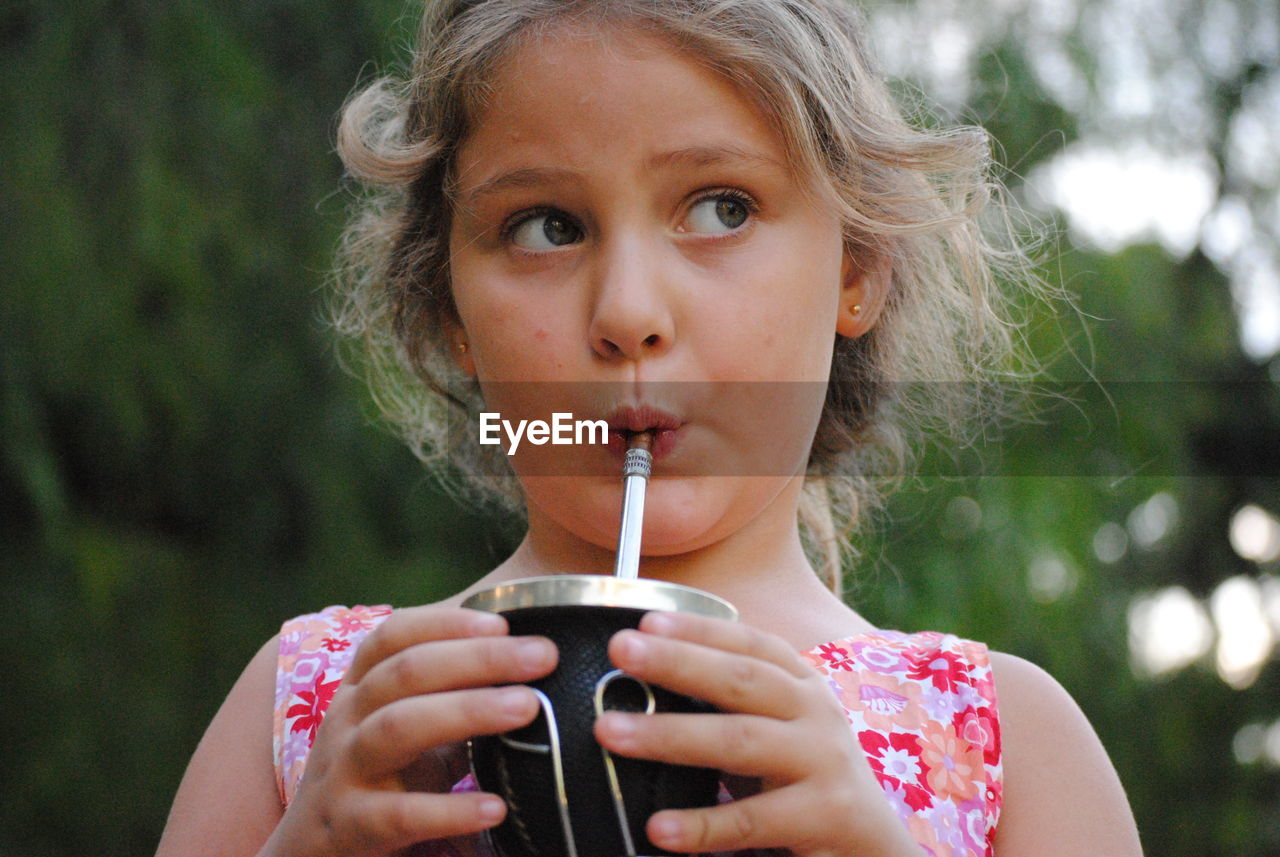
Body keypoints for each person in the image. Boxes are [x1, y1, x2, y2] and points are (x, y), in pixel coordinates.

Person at [156, 0, 1143, 855]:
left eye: (720, 207)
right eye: (547, 224)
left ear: (856, 268)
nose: (626, 310)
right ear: (449, 308)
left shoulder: (1001, 741)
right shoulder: (324, 707)